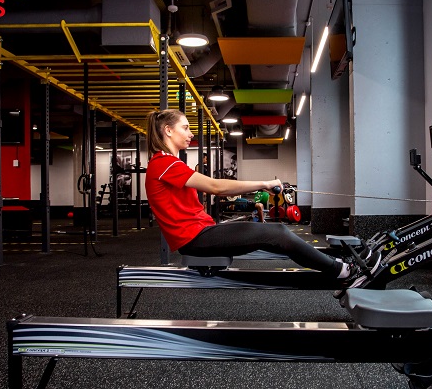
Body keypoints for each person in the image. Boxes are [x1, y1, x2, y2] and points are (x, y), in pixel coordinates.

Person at [145, 109, 380, 288]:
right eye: (185, 128)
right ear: (167, 130)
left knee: (276, 237)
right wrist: (265, 183)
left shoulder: (169, 164)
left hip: (201, 231)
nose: (191, 133)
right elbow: (215, 187)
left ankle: (346, 259)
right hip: (194, 238)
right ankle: (343, 271)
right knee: (276, 232)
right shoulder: (164, 164)